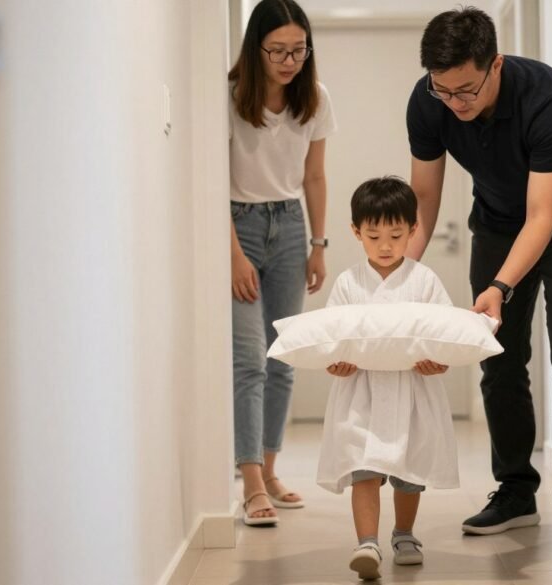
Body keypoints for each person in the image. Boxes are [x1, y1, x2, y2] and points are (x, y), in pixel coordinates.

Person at [405, 7, 552, 552]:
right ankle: (516, 492)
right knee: (496, 352)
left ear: (495, 65)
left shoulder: (546, 97)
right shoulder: (428, 101)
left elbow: (542, 216)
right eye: (443, 91)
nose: (456, 103)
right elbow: (425, 198)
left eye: (467, 90)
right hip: (496, 218)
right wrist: (402, 270)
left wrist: (498, 287)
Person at [316, 177, 459, 580]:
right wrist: (336, 361)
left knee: (408, 471)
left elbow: (444, 333)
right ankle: (367, 543)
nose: (384, 246)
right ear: (355, 232)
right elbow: (332, 336)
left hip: (412, 390)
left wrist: (439, 361)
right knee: (364, 466)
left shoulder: (425, 281)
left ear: (414, 229)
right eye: (373, 235)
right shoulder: (348, 283)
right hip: (360, 392)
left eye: (396, 235)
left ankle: (405, 533)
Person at [228, 0, 336, 527]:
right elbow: (212, 179)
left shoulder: (314, 99)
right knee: (249, 359)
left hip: (291, 226)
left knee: (283, 357)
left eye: (298, 50)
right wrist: (233, 255)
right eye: (278, 51)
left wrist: (319, 242)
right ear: (256, 48)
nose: (289, 60)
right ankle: (250, 483)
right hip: (238, 223)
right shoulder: (227, 98)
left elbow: (314, 176)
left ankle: (270, 469)